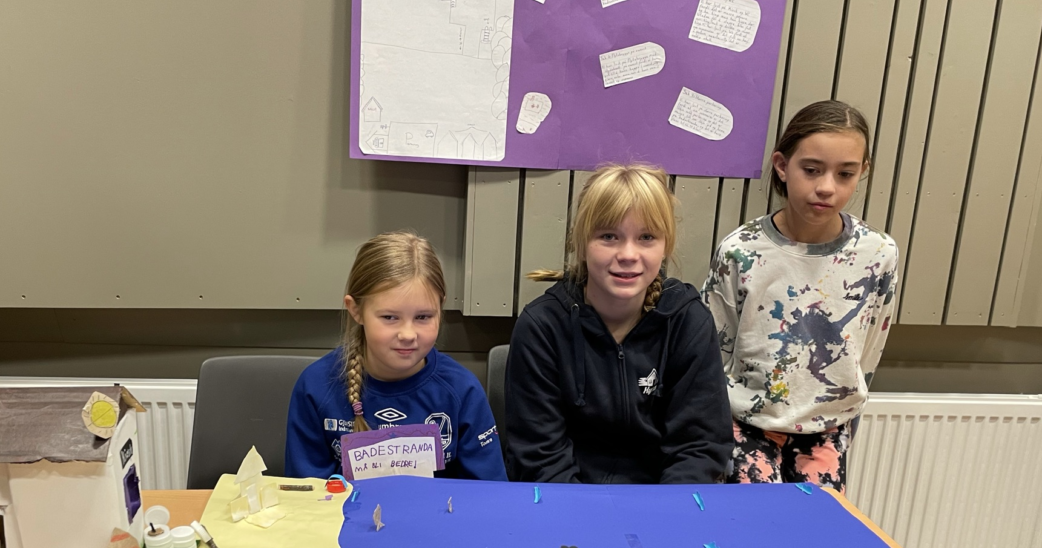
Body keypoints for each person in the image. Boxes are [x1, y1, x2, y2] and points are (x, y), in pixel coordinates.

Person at [702, 100, 898, 490]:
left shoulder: (878, 254)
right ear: (782, 165)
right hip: (746, 425)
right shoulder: (741, 251)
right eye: (811, 170)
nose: (826, 187)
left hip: (827, 430)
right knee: (757, 523)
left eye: (845, 174)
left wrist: (844, 419)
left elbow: (869, 349)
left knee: (816, 524)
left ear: (863, 172)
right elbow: (714, 349)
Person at [504, 164, 732, 484]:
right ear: (582, 243)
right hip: (569, 500)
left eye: (646, 237)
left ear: (665, 245)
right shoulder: (542, 327)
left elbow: (699, 447)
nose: (628, 254)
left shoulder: (687, 321)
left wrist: (663, 509)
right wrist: (581, 513)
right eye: (609, 236)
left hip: (662, 499)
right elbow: (540, 456)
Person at [285, 230, 507, 481]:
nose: (408, 334)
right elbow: (305, 494)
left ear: (440, 308)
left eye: (423, 317)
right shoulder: (316, 386)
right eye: (390, 317)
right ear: (356, 310)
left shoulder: (462, 390)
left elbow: (490, 491)